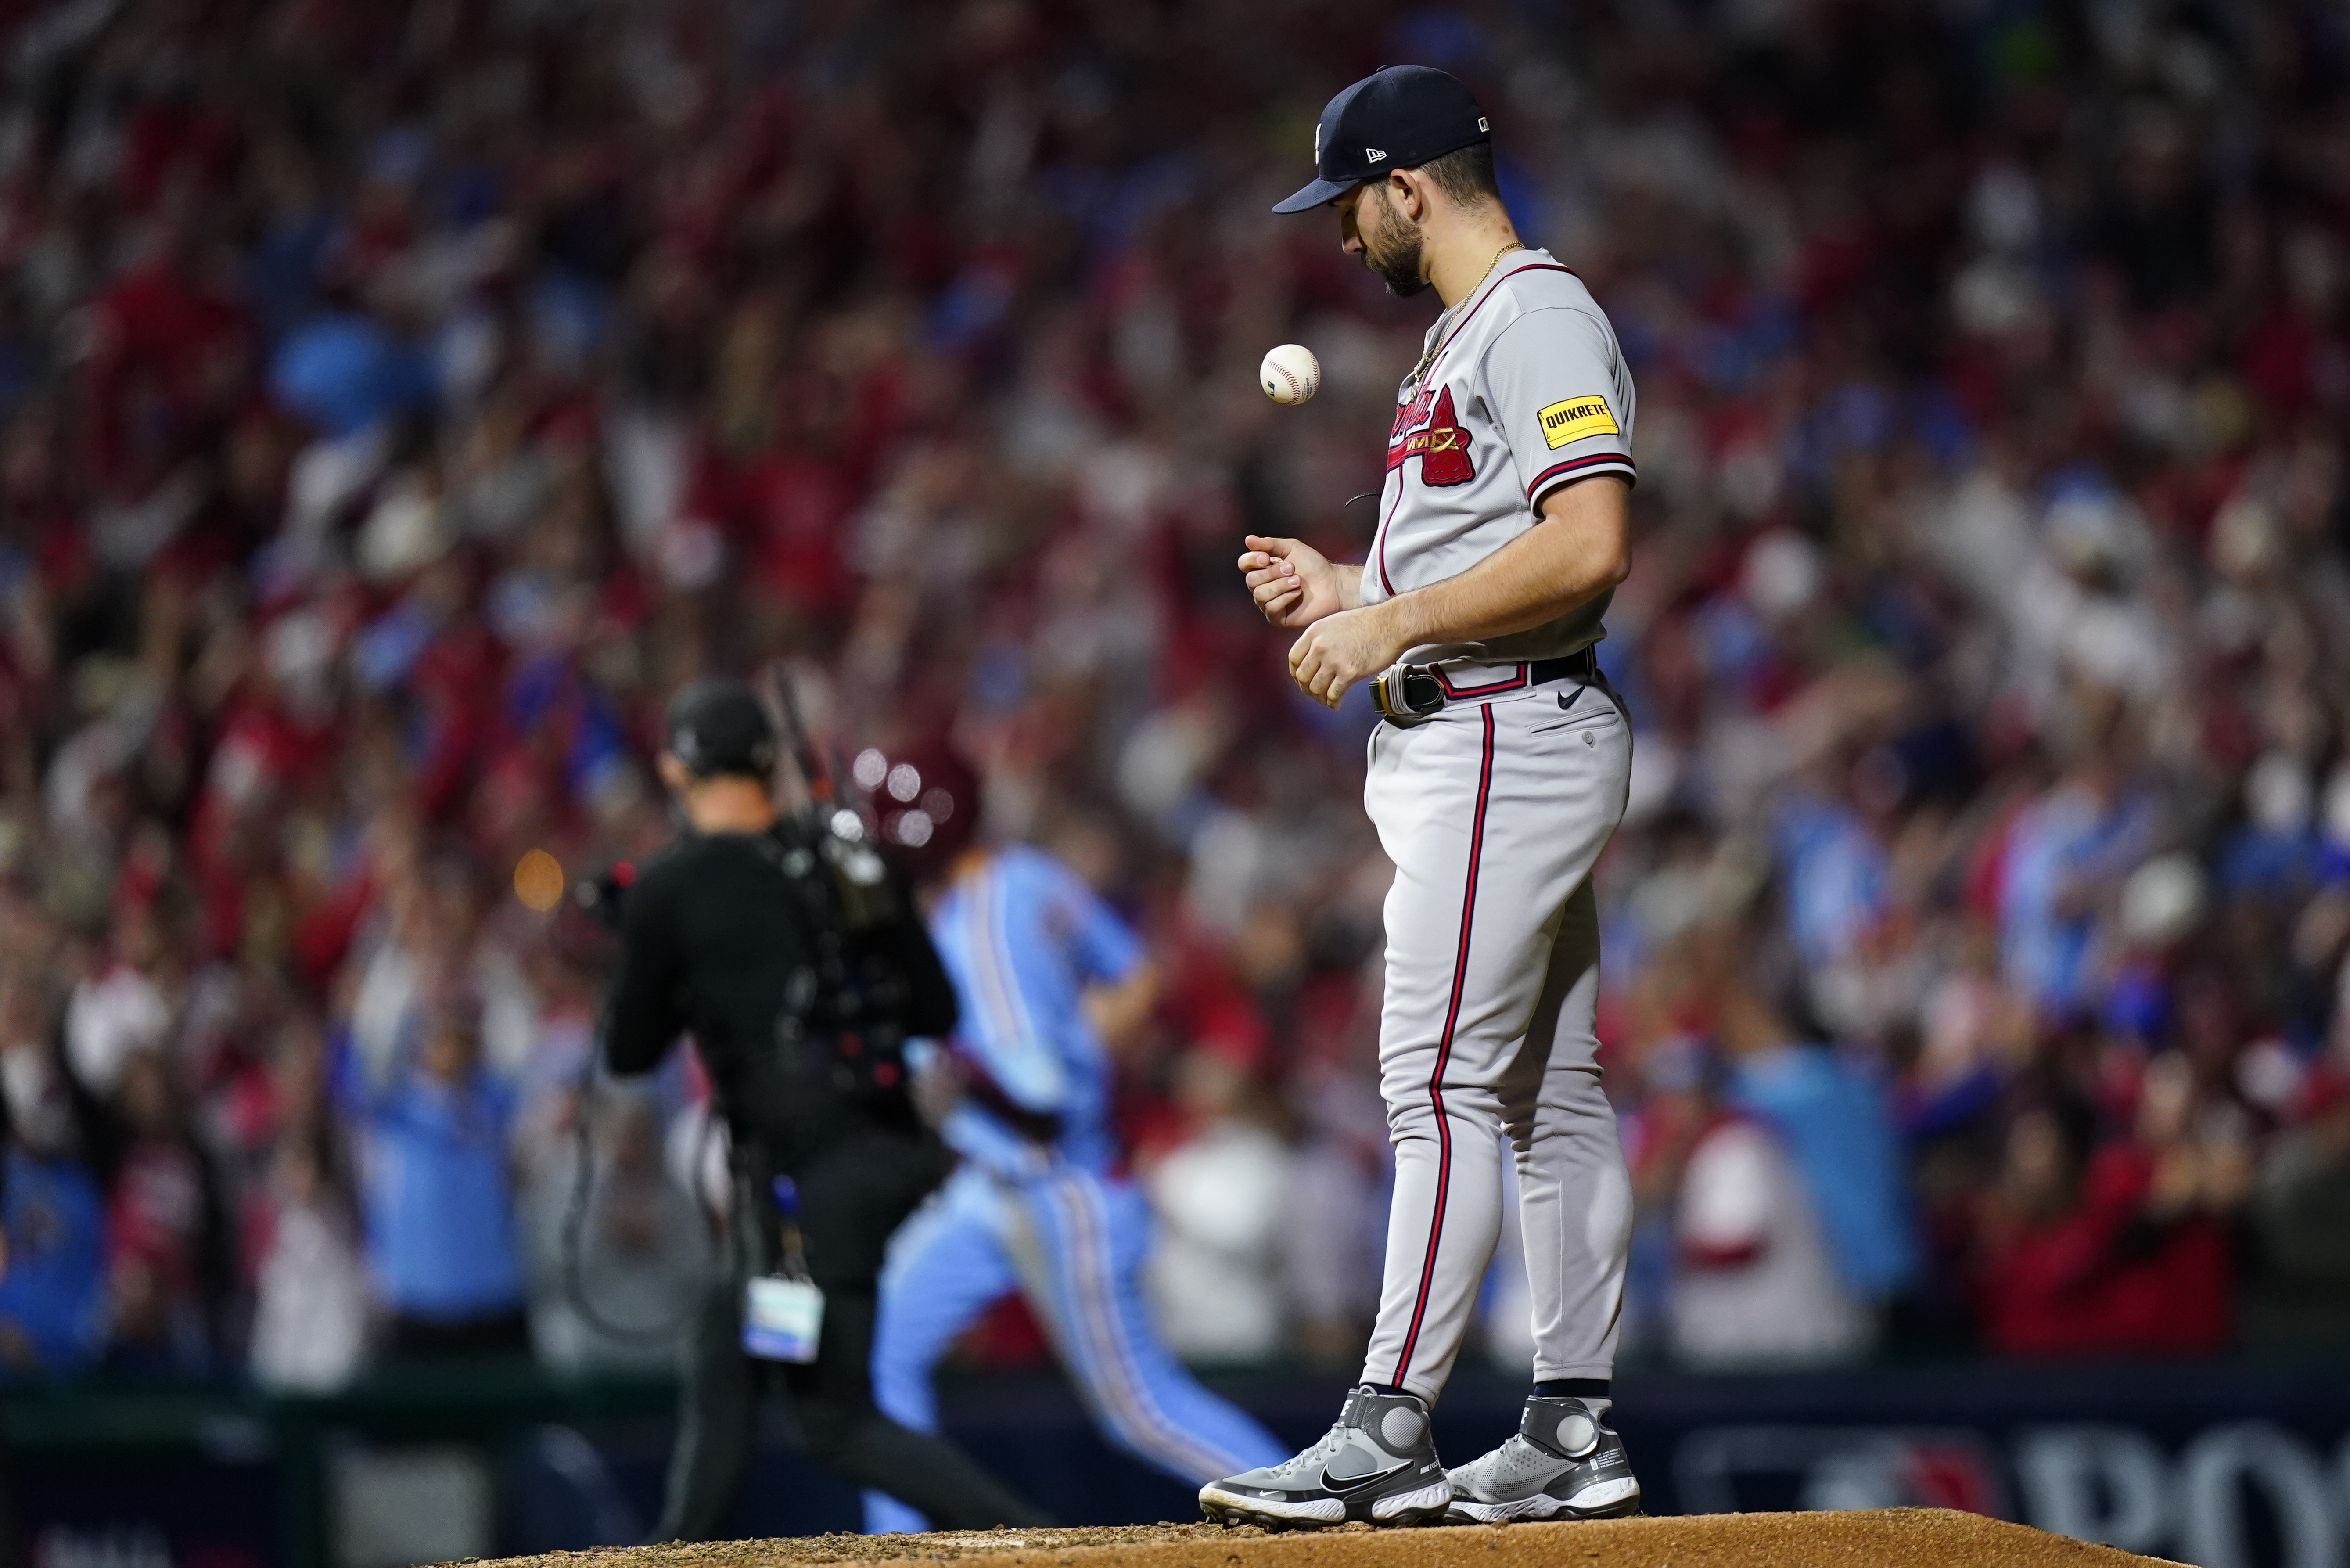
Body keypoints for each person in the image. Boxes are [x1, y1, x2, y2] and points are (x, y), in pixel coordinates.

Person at [1201, 66, 1641, 1529]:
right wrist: (1355, 589)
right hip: (1492, 721)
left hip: (1503, 734)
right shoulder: (1472, 333)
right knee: (1545, 1097)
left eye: (1349, 209)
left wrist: (1387, 627)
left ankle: (1386, 1426)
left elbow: (1588, 546)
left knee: (1436, 1086)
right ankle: (1570, 1427)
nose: (1342, 241)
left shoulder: (1536, 317)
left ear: (1406, 187)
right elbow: (1491, 552)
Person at [599, 678, 1042, 1540]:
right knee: (727, 1353)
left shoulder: (670, 887)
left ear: (673, 771)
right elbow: (934, 1009)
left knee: (834, 1420)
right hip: (873, 1162)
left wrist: (660, 955)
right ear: (772, 763)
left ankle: (1036, 1541)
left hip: (806, 1193)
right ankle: (675, 1551)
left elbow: (628, 1053)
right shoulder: (845, 855)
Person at [857, 744, 1286, 1536]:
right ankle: (898, 1544)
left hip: (1059, 1186)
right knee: (881, 1343)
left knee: (1142, 1411)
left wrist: (961, 1073)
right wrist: (1084, 1046)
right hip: (994, 1189)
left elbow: (1038, 1102)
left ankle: (1310, 1520)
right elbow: (1136, 976)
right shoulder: (1027, 875)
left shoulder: (979, 929)